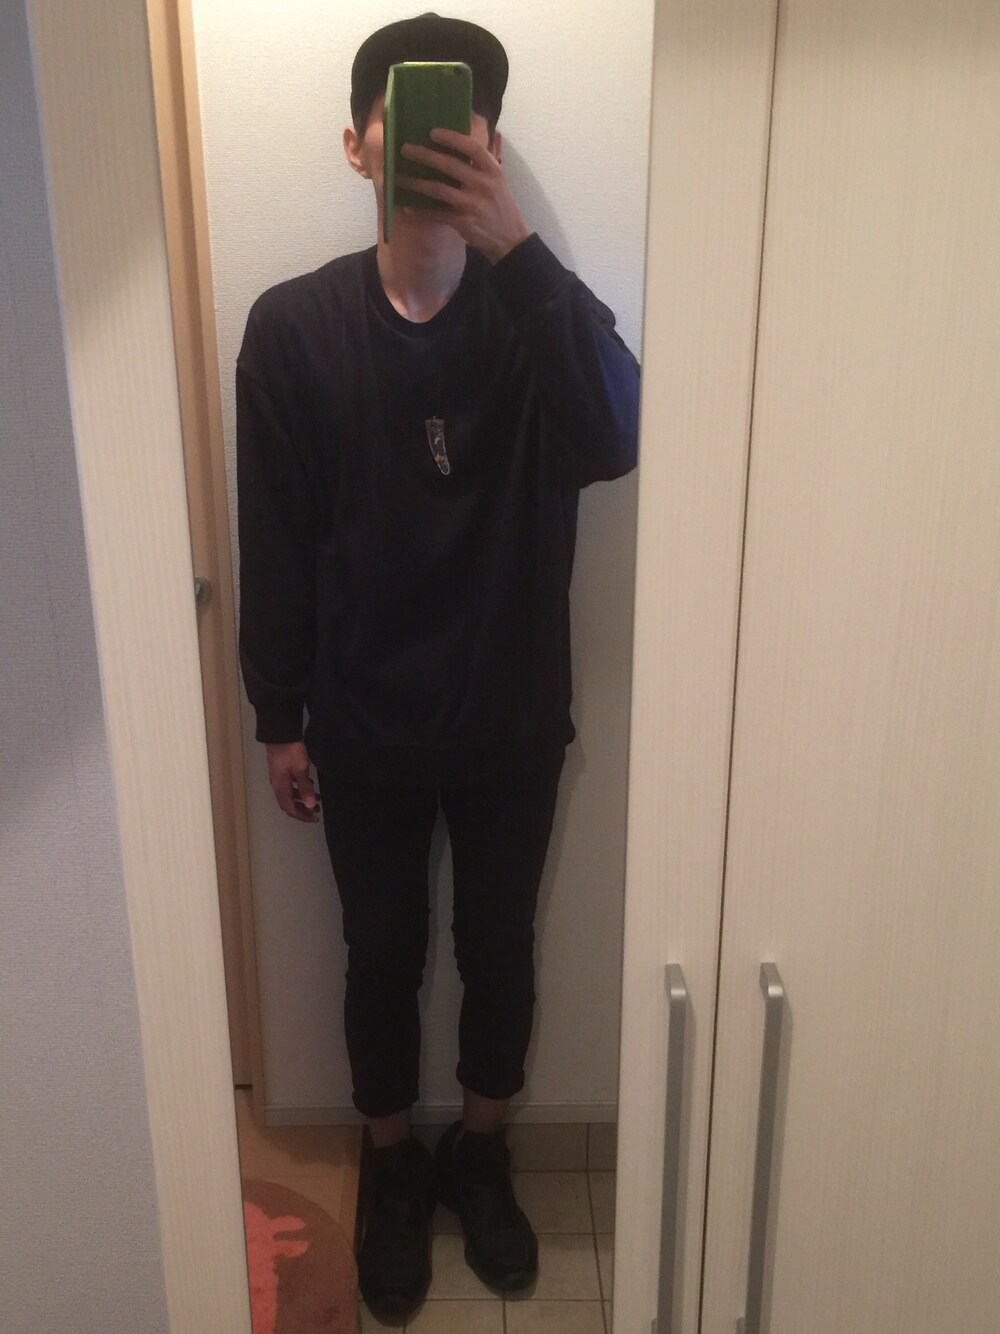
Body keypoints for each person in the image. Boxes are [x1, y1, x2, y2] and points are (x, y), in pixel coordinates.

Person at [236, 11, 640, 1321]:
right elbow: (273, 535)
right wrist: (277, 713)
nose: (424, 155)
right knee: (380, 954)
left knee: (501, 949)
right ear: (358, 148)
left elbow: (620, 431)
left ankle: (483, 1151)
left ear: (490, 150)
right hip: (361, 722)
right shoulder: (292, 328)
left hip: (512, 715)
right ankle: (394, 1163)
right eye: (403, 131)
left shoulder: (539, 315)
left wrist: (518, 247)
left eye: (461, 136)